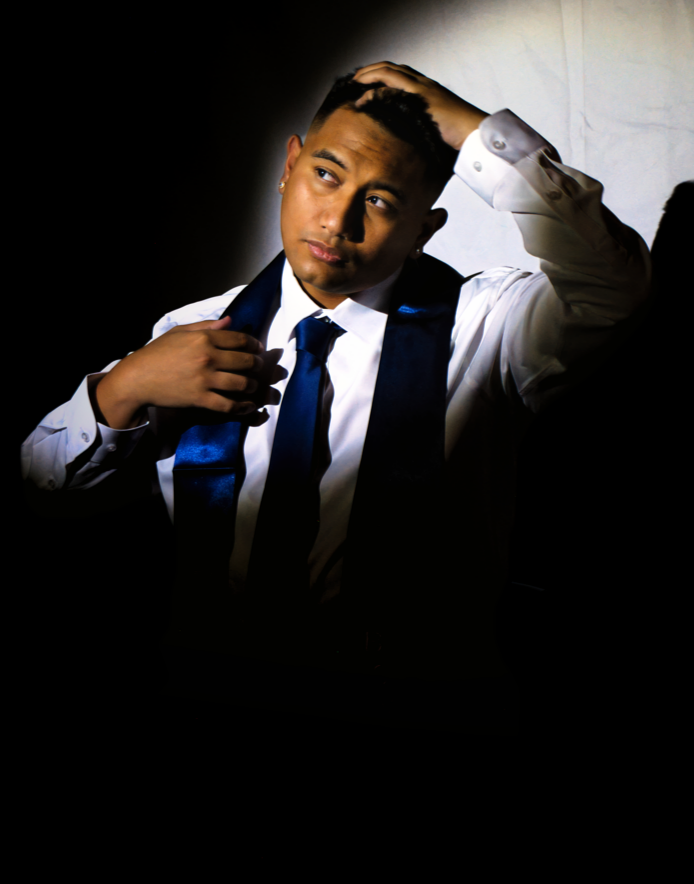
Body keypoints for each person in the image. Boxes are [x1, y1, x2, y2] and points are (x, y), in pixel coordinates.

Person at [21, 62, 651, 734]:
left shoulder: (485, 327)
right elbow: (42, 483)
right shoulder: (194, 331)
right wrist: (124, 387)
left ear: (425, 229)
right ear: (289, 166)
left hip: (416, 715)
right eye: (326, 174)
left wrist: (475, 132)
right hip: (207, 698)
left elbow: (612, 283)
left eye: (380, 201)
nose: (337, 219)